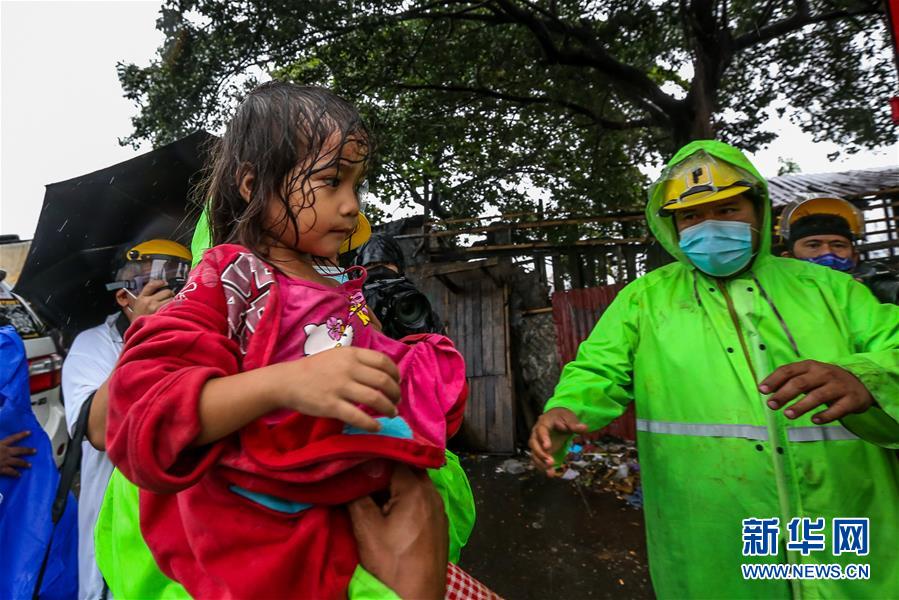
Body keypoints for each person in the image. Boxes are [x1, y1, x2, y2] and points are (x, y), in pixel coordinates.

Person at [105, 82, 468, 599]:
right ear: (253, 186)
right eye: (331, 182)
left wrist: (417, 377)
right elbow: (143, 413)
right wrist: (284, 383)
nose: (351, 207)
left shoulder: (342, 287)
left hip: (368, 537)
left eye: (358, 186)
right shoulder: (232, 278)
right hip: (264, 546)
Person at [530, 140, 899, 598]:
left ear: (759, 212)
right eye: (691, 216)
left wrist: (865, 377)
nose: (709, 225)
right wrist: (566, 406)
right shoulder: (645, 299)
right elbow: (598, 367)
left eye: (727, 209)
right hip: (713, 527)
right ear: (672, 227)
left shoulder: (832, 290)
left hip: (843, 511)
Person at [61, 238, 192, 600]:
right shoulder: (93, 346)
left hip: (185, 528)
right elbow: (100, 431)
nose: (169, 289)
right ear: (124, 296)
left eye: (179, 278)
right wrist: (145, 336)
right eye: (154, 279)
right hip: (118, 530)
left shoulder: (198, 337)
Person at [780, 195, 899, 303]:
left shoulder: (872, 279)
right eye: (813, 245)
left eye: (838, 245)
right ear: (788, 258)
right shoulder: (776, 290)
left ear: (854, 257)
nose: (827, 253)